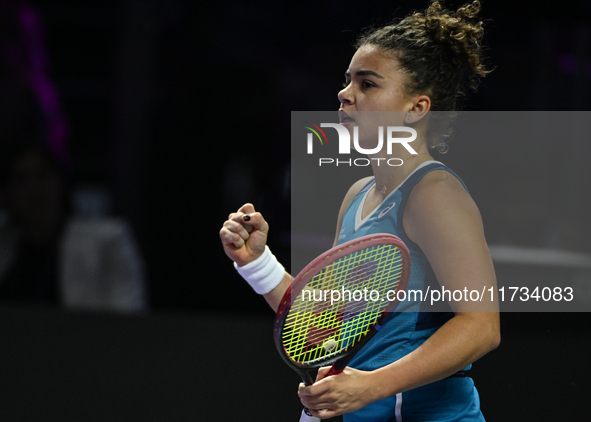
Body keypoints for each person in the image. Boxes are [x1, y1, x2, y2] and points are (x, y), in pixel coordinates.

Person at [220, 1, 499, 420]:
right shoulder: (357, 196)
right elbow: (329, 324)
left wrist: (371, 386)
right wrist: (257, 263)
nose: (344, 94)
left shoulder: (434, 193)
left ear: (416, 108)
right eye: (348, 81)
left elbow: (481, 326)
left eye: (367, 84)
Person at [0, 142, 147, 312]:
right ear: (7, 191)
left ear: (61, 181)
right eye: (22, 179)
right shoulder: (6, 242)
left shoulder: (107, 240)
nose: (35, 189)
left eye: (43, 176)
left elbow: (130, 317)